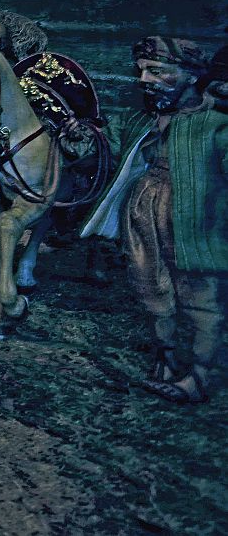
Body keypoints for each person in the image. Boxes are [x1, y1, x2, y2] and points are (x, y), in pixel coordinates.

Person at [83, 36, 228, 403]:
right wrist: (80, 140)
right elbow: (104, 153)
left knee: (199, 297)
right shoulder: (140, 120)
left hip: (195, 220)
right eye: (142, 71)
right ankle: (166, 358)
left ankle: (199, 377)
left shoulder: (216, 124)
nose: (144, 80)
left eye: (157, 72)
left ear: (191, 75)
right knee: (150, 286)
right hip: (143, 212)